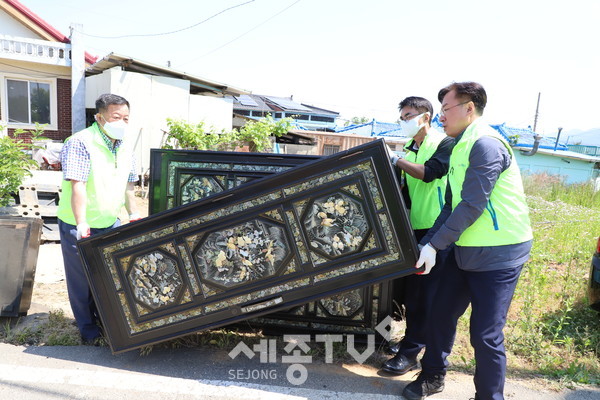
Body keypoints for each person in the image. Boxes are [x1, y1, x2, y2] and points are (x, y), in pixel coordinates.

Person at [401, 82, 533, 400]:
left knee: (485, 334)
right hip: (464, 247)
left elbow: (472, 204)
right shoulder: (459, 145)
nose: (441, 116)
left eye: (445, 109)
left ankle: (489, 396)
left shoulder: (486, 144)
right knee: (440, 313)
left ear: (468, 107)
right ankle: (432, 376)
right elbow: (451, 205)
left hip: (500, 252)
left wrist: (434, 245)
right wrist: (428, 244)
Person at [57, 93, 141, 345]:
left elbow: (129, 185)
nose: (122, 122)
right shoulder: (80, 142)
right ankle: (88, 332)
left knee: (108, 277)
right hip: (79, 222)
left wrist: (133, 213)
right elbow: (78, 185)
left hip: (110, 220)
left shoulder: (126, 144)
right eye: (116, 117)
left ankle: (108, 325)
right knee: (82, 281)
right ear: (99, 117)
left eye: (126, 117)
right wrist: (81, 222)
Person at [382, 97, 454, 375]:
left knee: (425, 294)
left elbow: (430, 174)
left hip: (438, 230)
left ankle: (411, 353)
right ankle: (410, 342)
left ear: (425, 117)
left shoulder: (444, 144)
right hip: (415, 228)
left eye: (408, 115)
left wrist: (396, 159)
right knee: (411, 293)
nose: (404, 121)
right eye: (401, 116)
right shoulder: (412, 148)